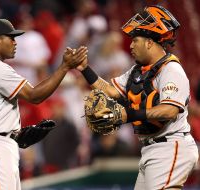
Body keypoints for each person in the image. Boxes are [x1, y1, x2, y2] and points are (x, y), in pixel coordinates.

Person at [76, 5, 199, 190]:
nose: (131, 45)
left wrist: (127, 115)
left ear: (149, 42)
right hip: (152, 147)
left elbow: (169, 110)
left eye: (136, 40)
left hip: (171, 146)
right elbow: (110, 90)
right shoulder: (138, 71)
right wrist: (84, 69)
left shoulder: (171, 69)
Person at [0, 18, 87, 190]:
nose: (15, 43)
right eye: (10, 38)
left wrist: (14, 132)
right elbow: (34, 96)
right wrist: (64, 67)